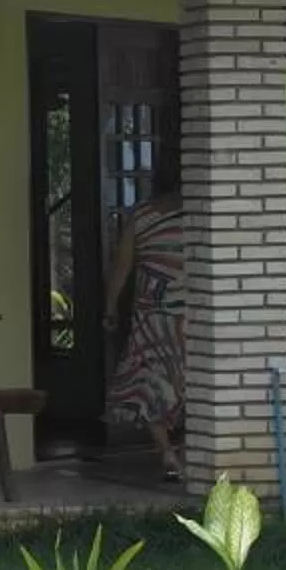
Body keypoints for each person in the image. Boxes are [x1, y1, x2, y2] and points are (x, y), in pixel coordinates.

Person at [105, 182, 186, 479]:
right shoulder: (201, 214)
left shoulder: (140, 215)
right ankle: (184, 451)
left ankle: (167, 451)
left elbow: (122, 266)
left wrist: (110, 307)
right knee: (187, 382)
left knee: (149, 381)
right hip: (189, 315)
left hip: (151, 313)